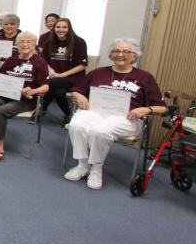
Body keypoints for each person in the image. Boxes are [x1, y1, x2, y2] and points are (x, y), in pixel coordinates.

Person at [65, 38, 165, 189]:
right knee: (76, 125)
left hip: (126, 118)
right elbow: (76, 90)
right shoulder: (97, 73)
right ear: (111, 55)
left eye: (126, 51)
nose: (120, 54)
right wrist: (79, 96)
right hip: (96, 112)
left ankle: (96, 169)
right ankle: (82, 165)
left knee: (99, 131)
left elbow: (162, 107)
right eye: (116, 51)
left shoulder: (145, 77)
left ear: (134, 56)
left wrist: (146, 109)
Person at [0, 31, 49, 162]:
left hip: (25, 99)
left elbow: (45, 86)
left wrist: (33, 91)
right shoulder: (12, 59)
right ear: (17, 44)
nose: (25, 44)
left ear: (35, 45)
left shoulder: (40, 62)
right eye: (22, 42)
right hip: (6, 93)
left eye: (29, 42)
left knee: (1, 111)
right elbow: (1, 77)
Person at [40, 18, 87, 126]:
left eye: (64, 27)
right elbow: (43, 61)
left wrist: (61, 75)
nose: (61, 30)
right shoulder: (49, 42)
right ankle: (68, 115)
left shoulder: (79, 42)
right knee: (59, 92)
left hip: (74, 79)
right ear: (54, 28)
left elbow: (82, 66)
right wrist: (51, 70)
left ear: (69, 28)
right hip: (55, 77)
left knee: (52, 83)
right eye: (58, 27)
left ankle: (41, 109)